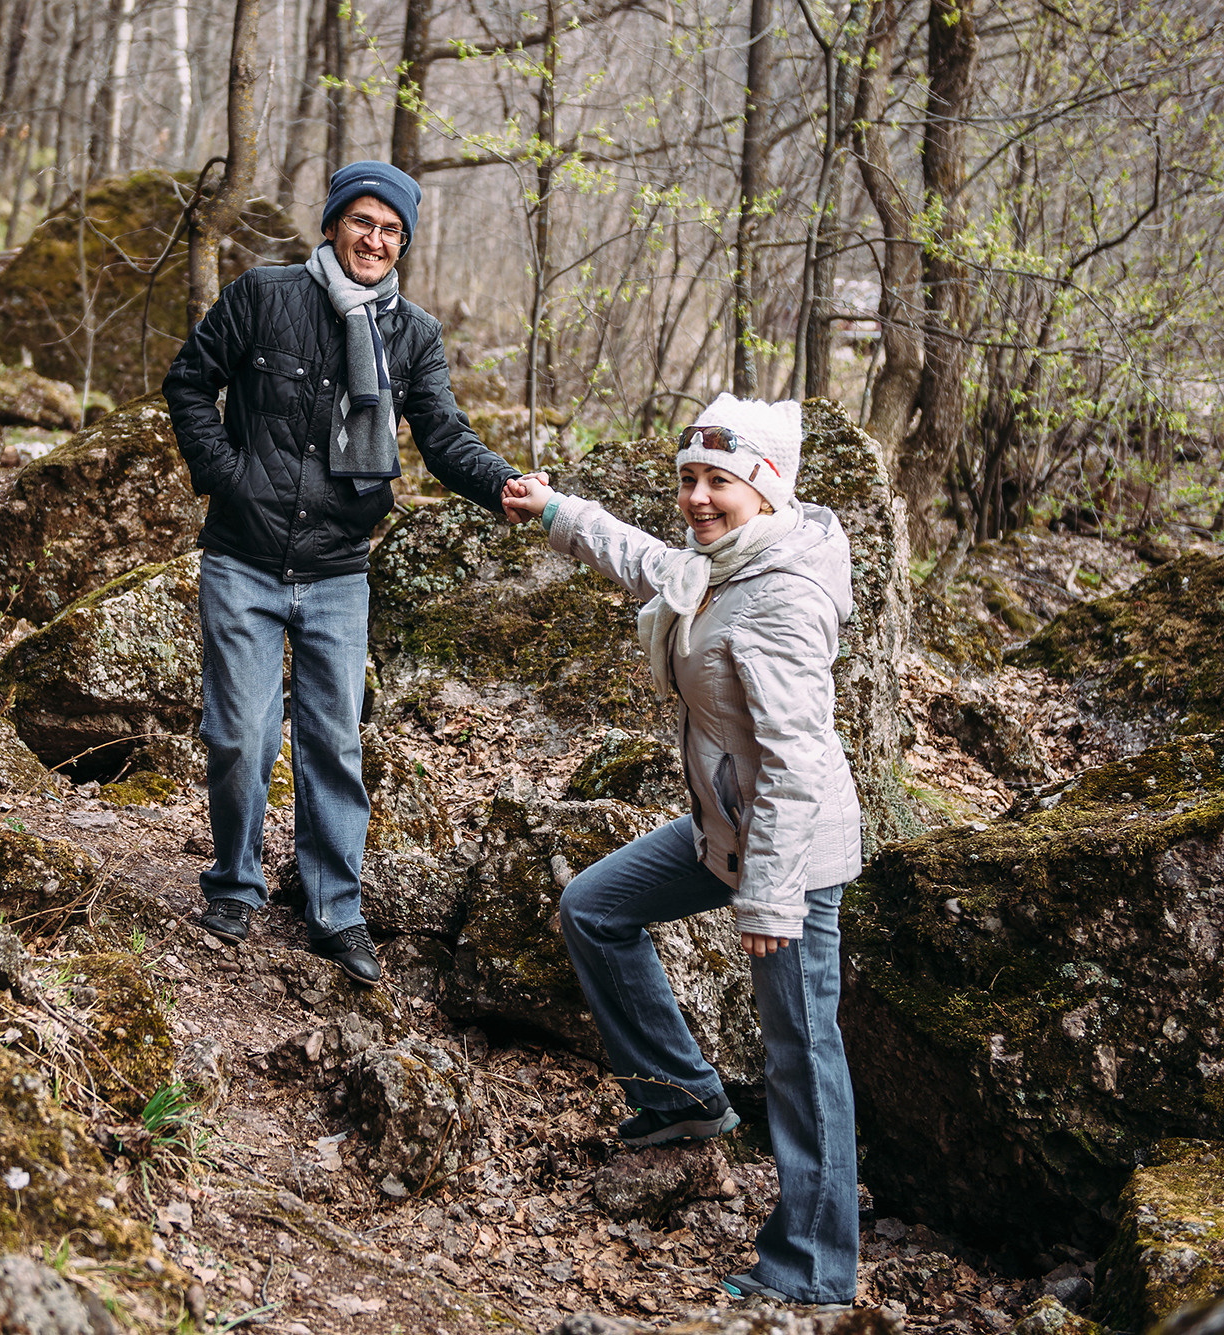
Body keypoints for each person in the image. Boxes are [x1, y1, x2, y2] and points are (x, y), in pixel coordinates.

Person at [501, 394, 861, 1308]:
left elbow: (797, 764)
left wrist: (773, 902)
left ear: (765, 489)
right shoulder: (718, 566)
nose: (698, 498)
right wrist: (557, 511)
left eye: (720, 482)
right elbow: (646, 559)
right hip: (724, 832)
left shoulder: (782, 596)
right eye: (690, 479)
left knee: (801, 1052)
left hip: (790, 854)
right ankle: (679, 1098)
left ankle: (815, 1268)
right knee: (595, 906)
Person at [162, 161, 534, 986]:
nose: (376, 240)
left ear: (403, 242)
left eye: (391, 229)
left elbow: (442, 434)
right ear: (333, 224)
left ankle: (334, 907)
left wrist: (501, 483)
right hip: (244, 556)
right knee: (242, 736)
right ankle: (234, 885)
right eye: (363, 222)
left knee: (333, 740)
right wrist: (228, 473)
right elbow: (189, 382)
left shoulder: (412, 333)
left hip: (337, 567)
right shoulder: (264, 296)